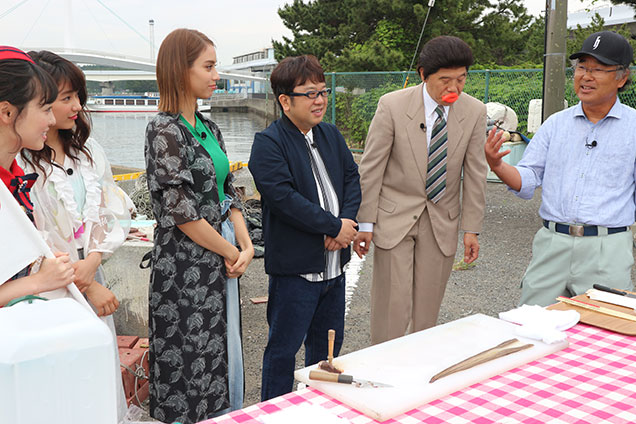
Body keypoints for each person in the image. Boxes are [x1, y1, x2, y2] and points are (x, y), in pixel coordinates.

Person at [144, 29, 254, 423]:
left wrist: (246, 244)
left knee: (220, 353)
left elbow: (227, 190)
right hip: (184, 266)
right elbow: (182, 212)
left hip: (220, 253)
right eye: (207, 66)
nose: (216, 75)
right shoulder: (164, 129)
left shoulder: (209, 127)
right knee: (188, 359)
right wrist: (231, 251)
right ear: (180, 70)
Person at [485, 31, 636, 306]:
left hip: (607, 248)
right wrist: (496, 164)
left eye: (598, 69)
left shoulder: (633, 128)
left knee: (604, 337)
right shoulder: (555, 124)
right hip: (552, 243)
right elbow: (528, 177)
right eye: (581, 67)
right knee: (533, 330)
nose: (586, 76)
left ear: (622, 77)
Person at [354, 36, 488, 345]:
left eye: (461, 78)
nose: (454, 88)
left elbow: (476, 172)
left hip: (442, 219)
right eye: (445, 80)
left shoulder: (475, 111)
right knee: (392, 307)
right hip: (394, 217)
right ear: (423, 74)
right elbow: (372, 167)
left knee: (427, 311)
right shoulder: (392, 105)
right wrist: (365, 223)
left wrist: (472, 229)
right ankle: (382, 371)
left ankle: (417, 375)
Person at [19, 50, 131, 421]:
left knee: (96, 377)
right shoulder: (21, 160)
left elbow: (110, 211)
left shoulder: (87, 152)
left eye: (78, 96)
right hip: (46, 289)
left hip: (88, 273)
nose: (77, 107)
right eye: (65, 98)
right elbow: (31, 236)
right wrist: (83, 281)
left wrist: (93, 263)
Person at [249, 55, 361, 401]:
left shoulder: (329, 134)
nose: (320, 100)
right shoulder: (268, 143)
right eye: (310, 93)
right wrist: (331, 227)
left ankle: (319, 409)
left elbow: (351, 178)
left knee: (327, 352)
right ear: (285, 101)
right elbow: (284, 199)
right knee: (283, 351)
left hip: (334, 270)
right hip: (296, 272)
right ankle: (273, 412)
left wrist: (345, 225)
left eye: (323, 92)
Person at [0, 46, 75, 306]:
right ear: (7, 113)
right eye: (44, 109)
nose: (52, 120)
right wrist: (38, 281)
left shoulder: (16, 178)